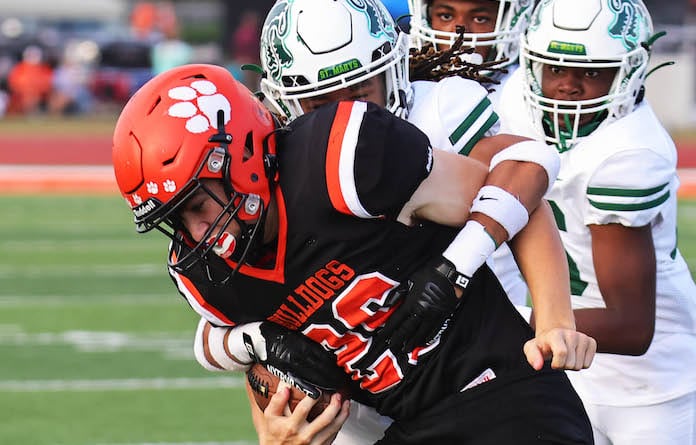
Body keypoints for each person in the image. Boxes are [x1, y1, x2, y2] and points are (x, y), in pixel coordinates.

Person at [113, 62, 595, 444]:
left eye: (196, 205)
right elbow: (218, 342)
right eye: (175, 220)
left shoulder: (336, 162)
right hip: (411, 426)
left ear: (236, 158)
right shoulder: (209, 274)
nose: (195, 233)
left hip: (502, 395)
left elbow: (519, 192)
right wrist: (272, 405)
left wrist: (547, 318)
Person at [497, 0, 696, 443]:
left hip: (651, 385)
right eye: (555, 69)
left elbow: (631, 325)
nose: (567, 85)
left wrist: (498, 322)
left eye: (591, 72)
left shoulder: (628, 153)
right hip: (571, 361)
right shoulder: (518, 99)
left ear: (628, 71)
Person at [407, 0, 536, 305]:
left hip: (493, 298)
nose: (459, 30)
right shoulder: (406, 88)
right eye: (445, 15)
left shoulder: (524, 95)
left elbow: (532, 176)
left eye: (479, 17)